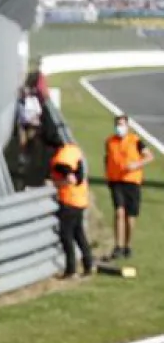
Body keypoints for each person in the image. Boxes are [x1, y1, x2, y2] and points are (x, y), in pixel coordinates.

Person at [104, 114, 153, 260]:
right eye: (118, 124)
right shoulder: (109, 141)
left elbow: (149, 156)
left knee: (130, 216)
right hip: (116, 181)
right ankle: (118, 246)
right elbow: (107, 159)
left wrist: (136, 165)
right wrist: (108, 175)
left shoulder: (135, 140)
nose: (120, 127)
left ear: (127, 126)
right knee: (119, 212)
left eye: (122, 124)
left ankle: (127, 245)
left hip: (132, 181)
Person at [48, 133, 95, 279]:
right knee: (79, 234)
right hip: (80, 199)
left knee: (66, 236)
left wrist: (55, 184)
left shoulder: (61, 160)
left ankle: (71, 269)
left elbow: (71, 179)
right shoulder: (72, 151)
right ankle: (88, 264)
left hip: (69, 200)